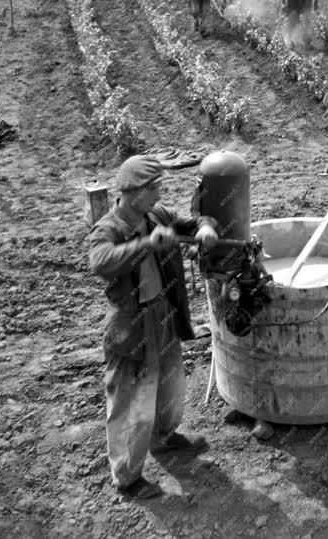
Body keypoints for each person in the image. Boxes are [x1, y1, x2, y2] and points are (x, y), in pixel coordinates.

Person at [88, 155, 219, 498]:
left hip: (163, 313)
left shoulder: (156, 216)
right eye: (154, 188)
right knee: (132, 404)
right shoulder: (109, 228)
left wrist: (203, 228)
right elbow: (100, 262)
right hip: (132, 326)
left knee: (171, 383)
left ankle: (164, 438)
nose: (160, 194)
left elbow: (191, 224)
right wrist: (146, 244)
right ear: (133, 192)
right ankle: (127, 479)